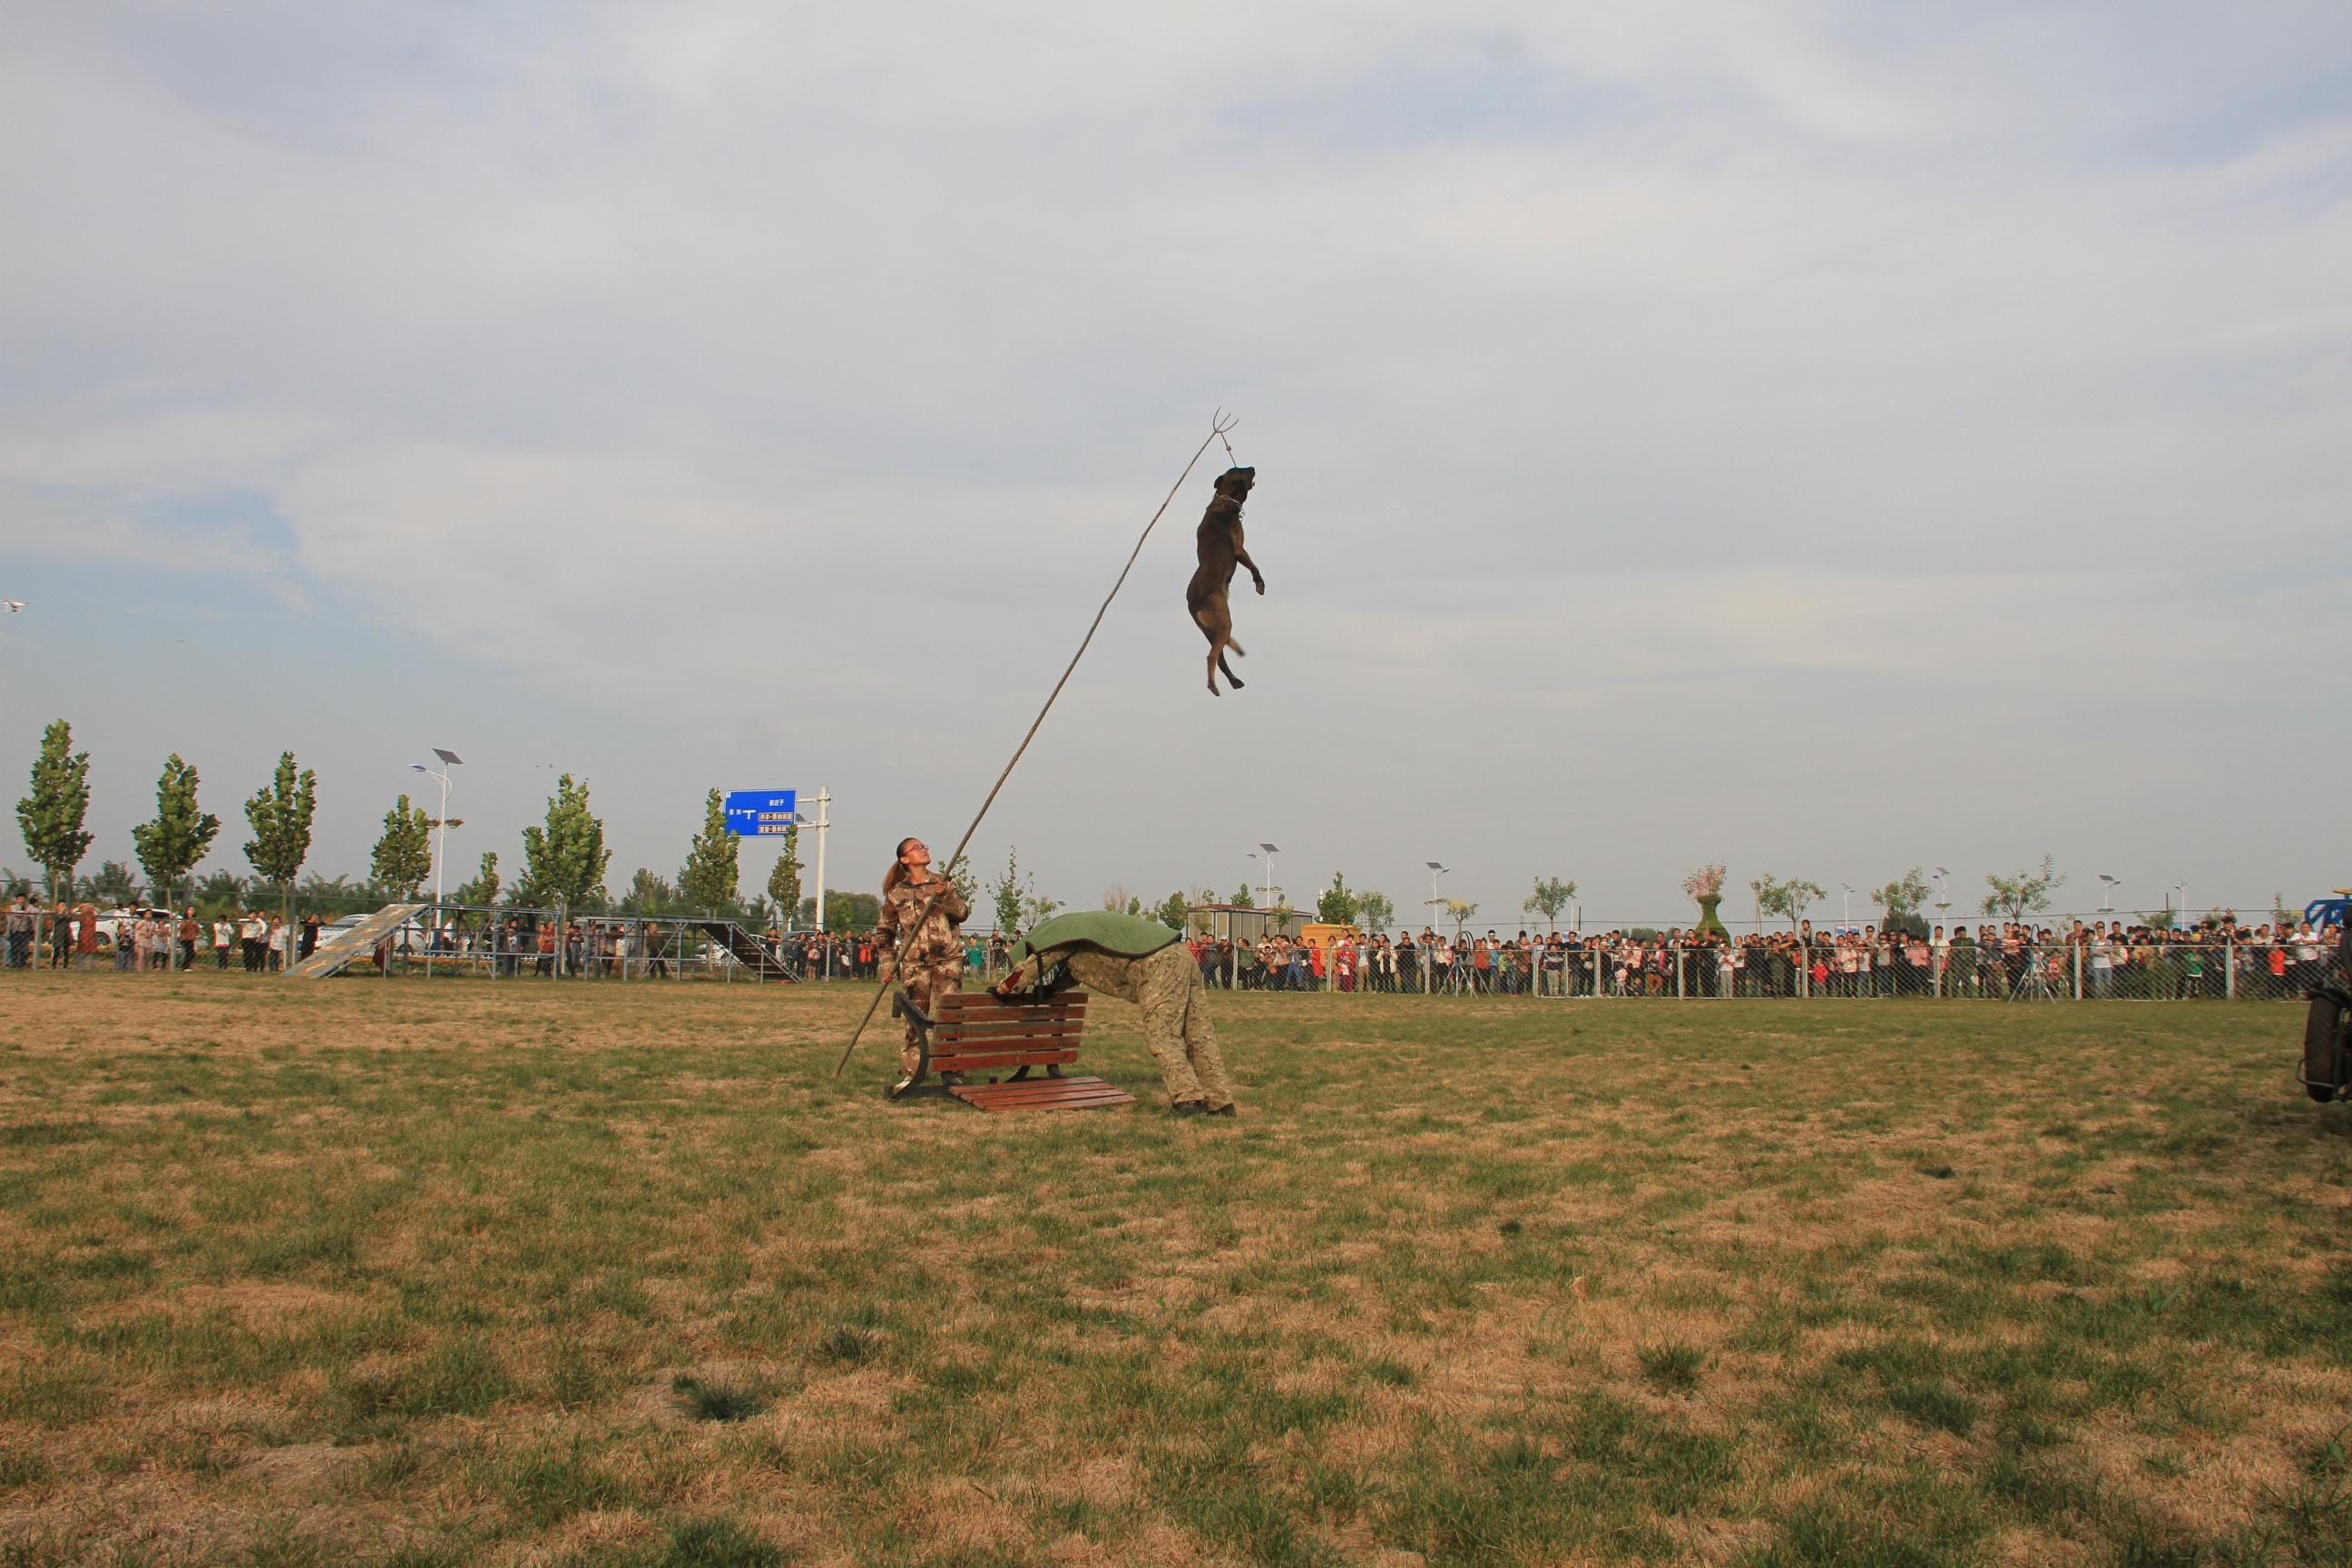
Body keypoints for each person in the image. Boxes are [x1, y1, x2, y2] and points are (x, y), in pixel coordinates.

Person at [995, 909, 1238, 1116]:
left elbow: (1031, 966)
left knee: (1164, 1034)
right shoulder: (1082, 937)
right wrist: (1052, 988)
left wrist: (1004, 989)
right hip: (1181, 955)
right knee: (1199, 1033)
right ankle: (1221, 1100)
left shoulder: (1060, 940)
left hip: (1159, 964)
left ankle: (1188, 1097)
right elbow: (1077, 971)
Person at [876, 836, 972, 1091]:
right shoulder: (896, 894)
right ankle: (911, 1071)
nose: (923, 849)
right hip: (915, 966)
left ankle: (953, 1071)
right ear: (905, 859)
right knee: (914, 1021)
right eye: (916, 848)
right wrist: (887, 965)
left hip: (947, 963)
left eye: (924, 846)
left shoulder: (942, 882)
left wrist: (945, 896)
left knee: (951, 1018)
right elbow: (884, 934)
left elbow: (961, 913)